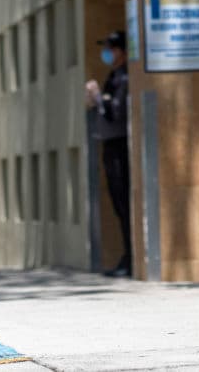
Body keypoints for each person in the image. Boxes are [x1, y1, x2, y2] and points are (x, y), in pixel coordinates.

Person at [85, 30, 132, 277]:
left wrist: (97, 98)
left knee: (124, 202)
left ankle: (131, 258)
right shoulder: (114, 76)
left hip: (120, 145)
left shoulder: (124, 78)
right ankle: (127, 255)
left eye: (111, 49)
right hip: (111, 144)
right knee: (118, 204)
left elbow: (116, 112)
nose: (107, 53)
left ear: (123, 52)